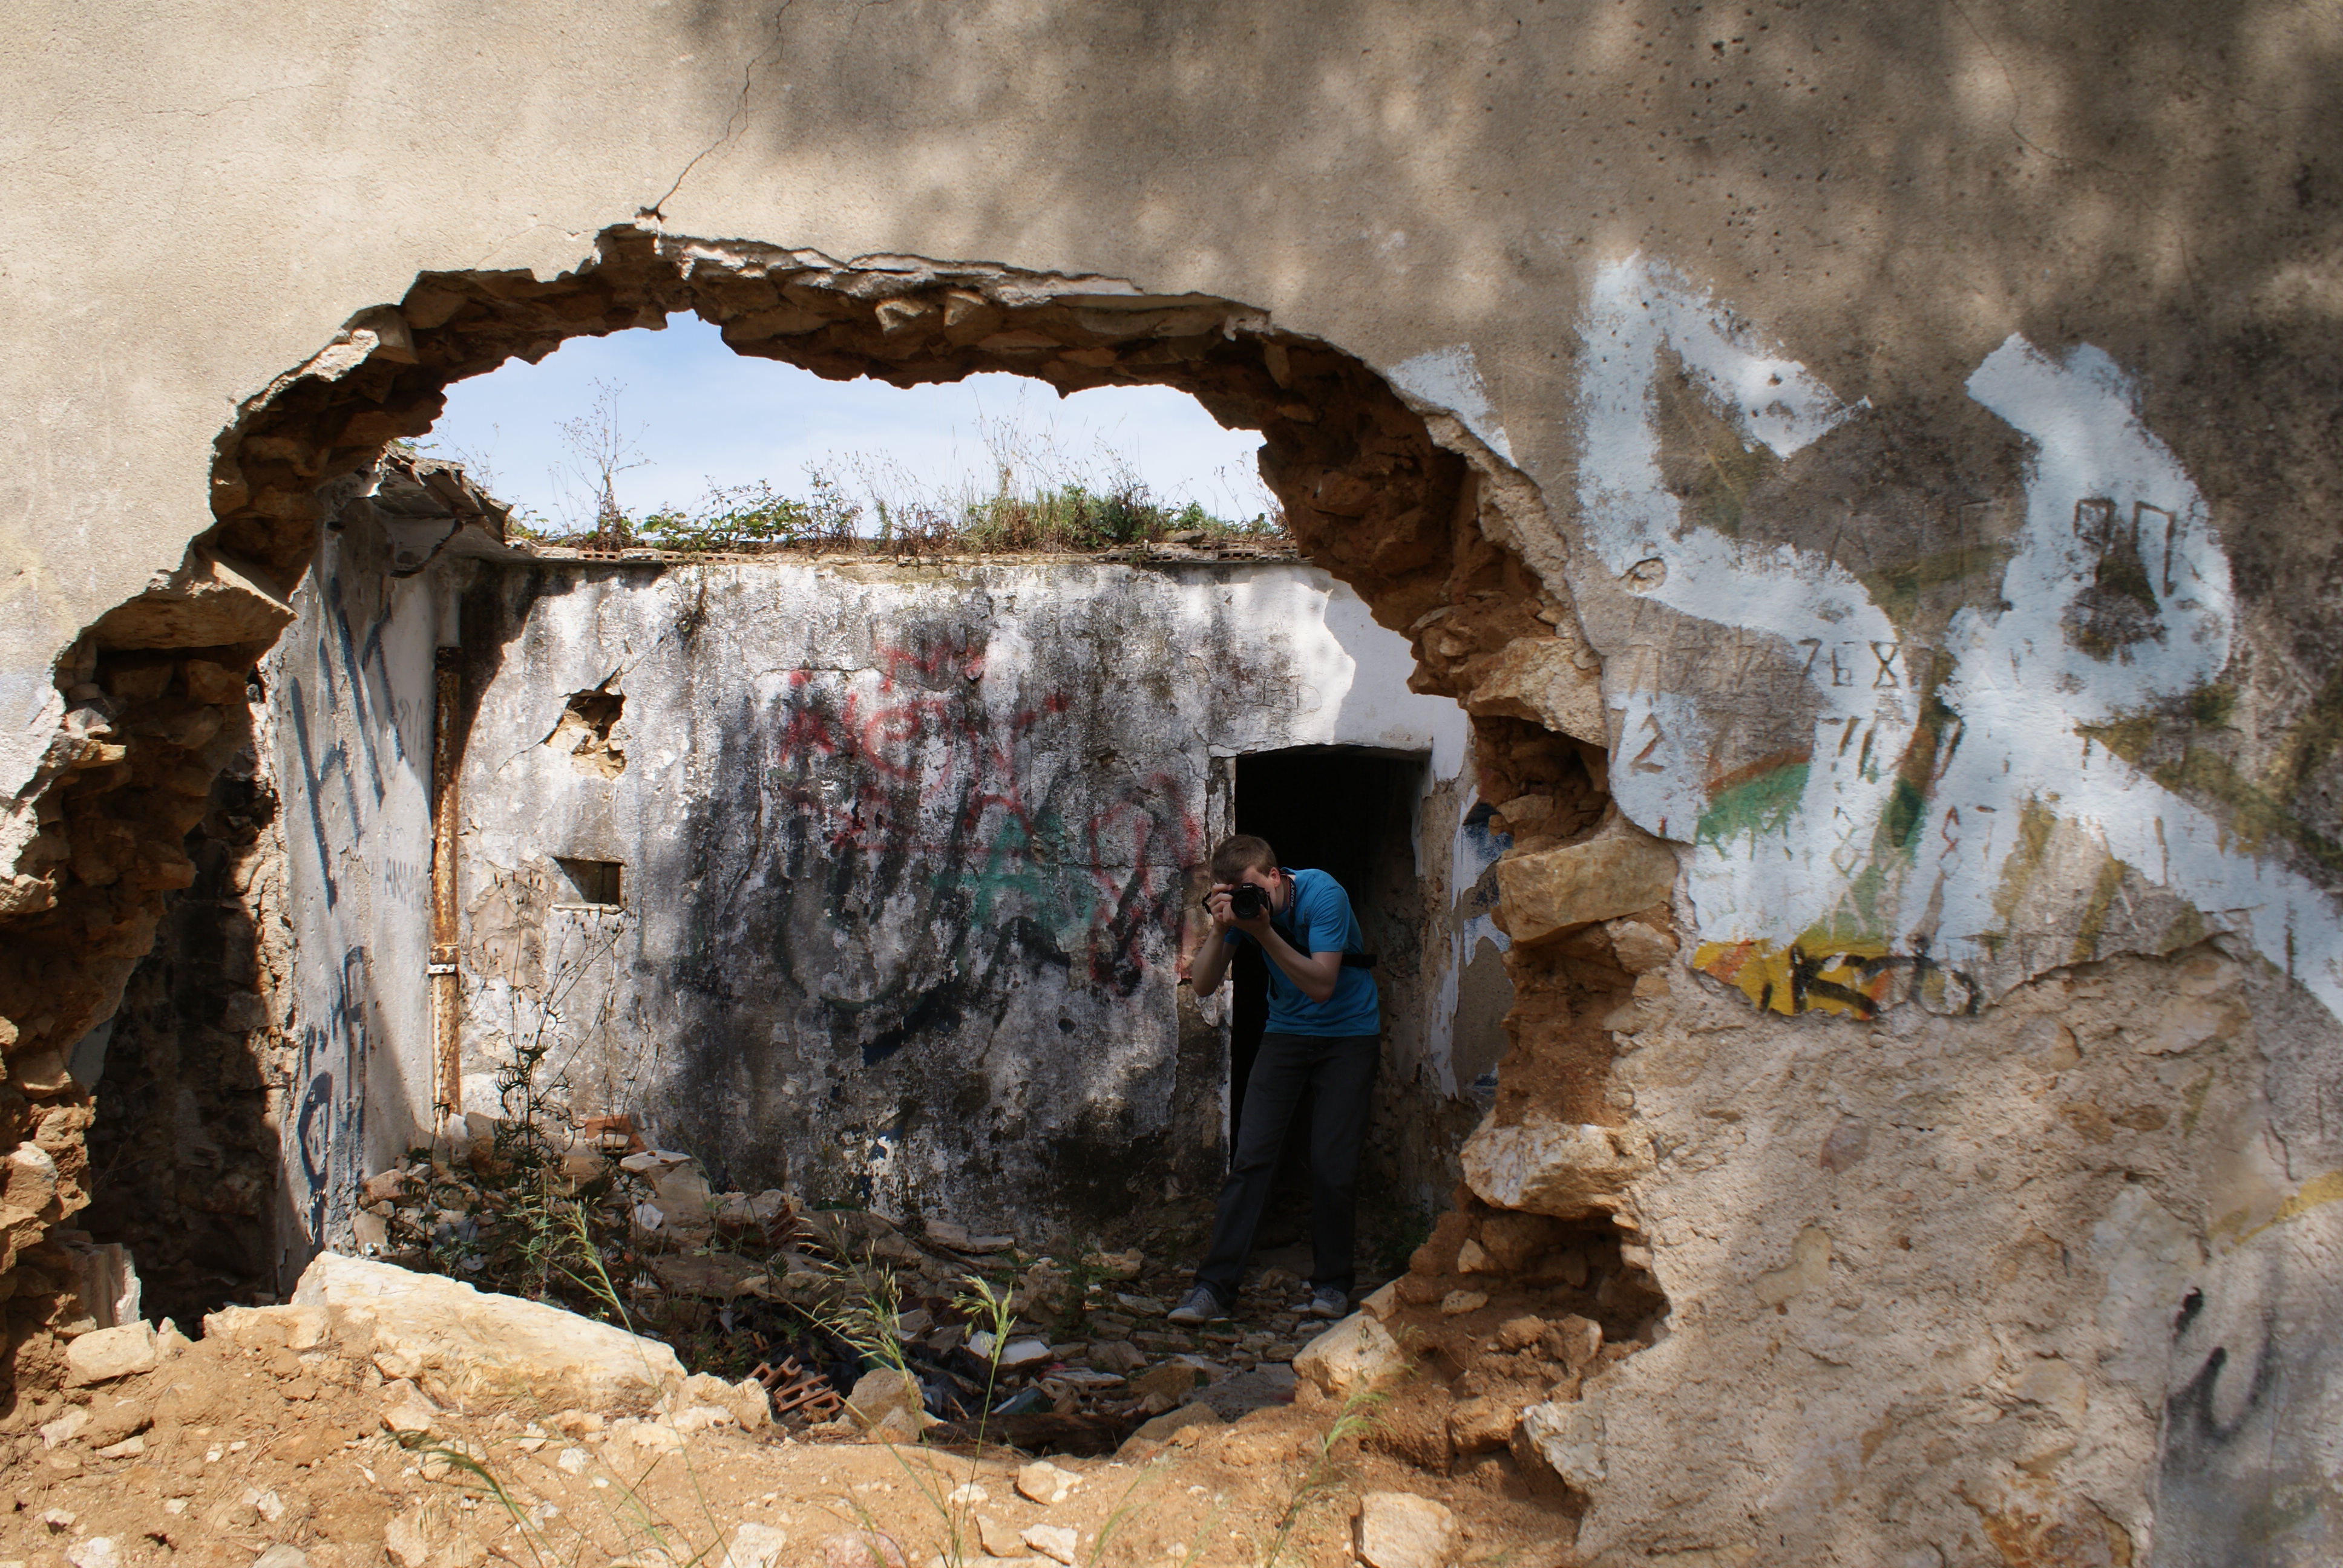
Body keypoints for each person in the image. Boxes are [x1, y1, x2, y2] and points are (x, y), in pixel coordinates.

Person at [1168, 833, 1380, 1325]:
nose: (1248, 900)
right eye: (1234, 894)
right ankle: (1212, 1289)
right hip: (1285, 1034)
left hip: (1349, 1035)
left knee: (1333, 1165)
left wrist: (1262, 932)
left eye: (1251, 890)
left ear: (1275, 877)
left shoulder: (1323, 895)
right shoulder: (1244, 913)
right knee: (1251, 1160)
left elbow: (1322, 985)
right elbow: (1203, 985)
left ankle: (1332, 1284)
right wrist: (1222, 929)